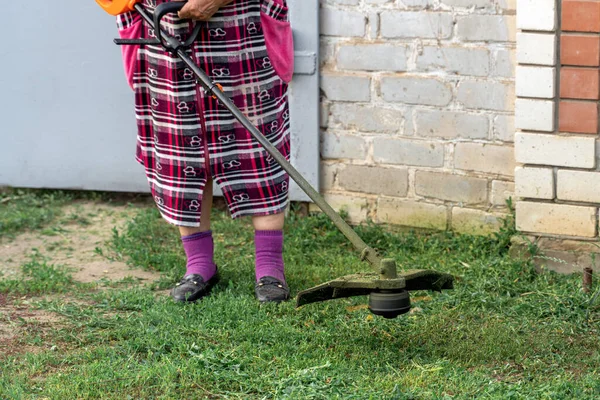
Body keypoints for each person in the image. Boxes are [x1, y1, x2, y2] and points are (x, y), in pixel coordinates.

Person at [115, 0, 294, 303]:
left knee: (259, 148)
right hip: (163, 27)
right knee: (181, 148)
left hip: (242, 25)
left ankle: (269, 266)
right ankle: (199, 265)